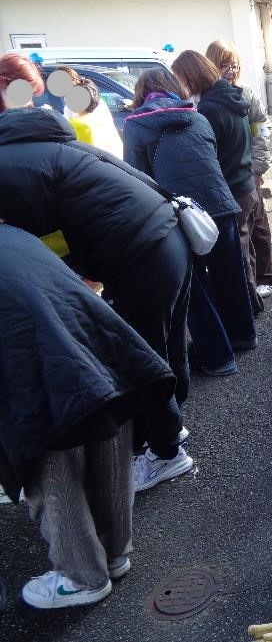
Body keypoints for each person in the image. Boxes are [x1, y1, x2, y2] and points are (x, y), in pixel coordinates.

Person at [0, 52, 193, 492]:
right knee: (165, 345)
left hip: (140, 249)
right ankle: (171, 431)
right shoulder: (46, 143)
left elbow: (33, 242)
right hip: (169, 234)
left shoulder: (9, 163)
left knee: (141, 355)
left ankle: (166, 453)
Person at [0, 224, 179, 608]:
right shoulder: (15, 236)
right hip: (106, 352)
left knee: (54, 472)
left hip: (39, 373)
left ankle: (81, 578)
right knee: (108, 446)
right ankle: (114, 555)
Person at [124, 68, 257, 376]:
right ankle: (243, 335)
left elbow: (137, 176)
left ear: (141, 93)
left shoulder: (135, 125)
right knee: (230, 274)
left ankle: (218, 358)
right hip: (221, 204)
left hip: (181, 214)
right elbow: (210, 157)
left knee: (193, 288)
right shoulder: (197, 116)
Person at [171, 50, 264, 314]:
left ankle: (248, 308)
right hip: (246, 183)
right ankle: (252, 300)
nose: (181, 86)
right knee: (245, 247)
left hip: (231, 189)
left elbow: (209, 154)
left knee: (237, 256)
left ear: (191, 77)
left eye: (181, 79)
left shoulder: (209, 109)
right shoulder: (233, 97)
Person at [205, 40, 272, 300]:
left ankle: (265, 277)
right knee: (237, 233)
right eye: (224, 65)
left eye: (234, 65)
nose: (231, 71)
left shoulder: (246, 94)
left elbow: (262, 130)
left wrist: (257, 167)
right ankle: (246, 283)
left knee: (257, 226)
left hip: (248, 173)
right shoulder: (204, 97)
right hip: (224, 175)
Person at [56, 65, 124, 158]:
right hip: (105, 155)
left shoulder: (84, 101)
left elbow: (70, 128)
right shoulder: (77, 101)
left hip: (101, 154)